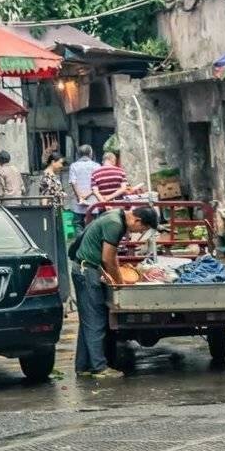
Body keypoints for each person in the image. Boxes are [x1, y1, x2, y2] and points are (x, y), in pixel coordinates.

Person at [71, 203, 159, 379]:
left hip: (86, 268)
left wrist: (112, 276)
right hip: (86, 271)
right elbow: (108, 258)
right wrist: (120, 284)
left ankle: (84, 366)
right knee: (97, 320)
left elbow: (105, 255)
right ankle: (99, 368)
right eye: (142, 228)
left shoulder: (115, 215)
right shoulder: (115, 224)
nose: (138, 232)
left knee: (89, 321)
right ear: (137, 220)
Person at [68, 144, 99, 220]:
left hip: (78, 204)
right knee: (93, 229)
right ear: (90, 154)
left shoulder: (73, 166)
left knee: (79, 226)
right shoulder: (97, 166)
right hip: (93, 204)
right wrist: (88, 195)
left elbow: (73, 182)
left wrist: (80, 197)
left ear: (78, 154)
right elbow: (98, 184)